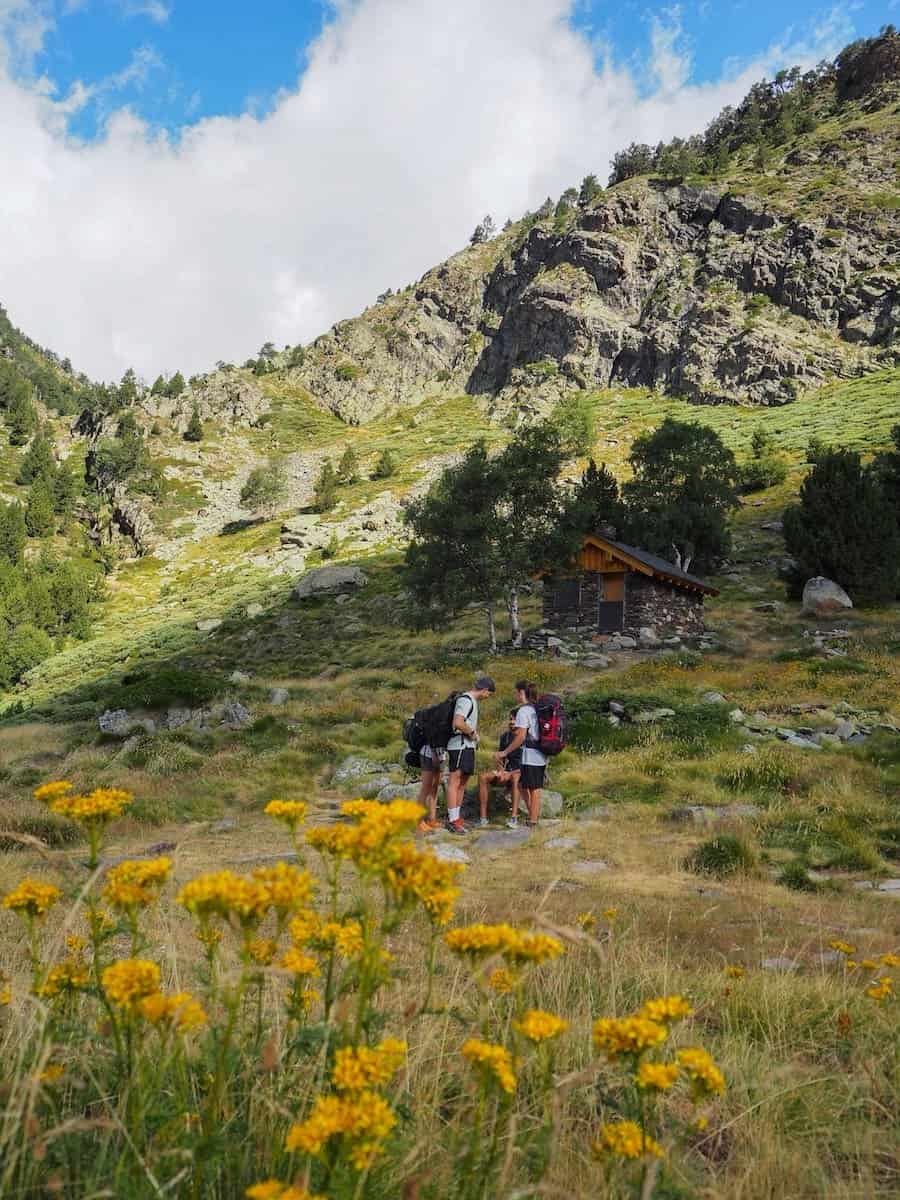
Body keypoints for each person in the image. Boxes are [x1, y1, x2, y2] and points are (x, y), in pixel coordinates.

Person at [445, 675, 496, 834]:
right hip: (459, 745)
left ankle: (457, 818)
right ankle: (452, 820)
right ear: (485, 690)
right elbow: (458, 722)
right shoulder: (465, 700)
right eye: (489, 694)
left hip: (467, 746)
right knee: (455, 781)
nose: (488, 697)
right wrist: (473, 733)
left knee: (463, 782)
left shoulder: (471, 701)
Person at [496, 680, 547, 827]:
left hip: (532, 755)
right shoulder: (535, 708)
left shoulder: (524, 711)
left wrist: (504, 752)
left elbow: (521, 736)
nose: (515, 695)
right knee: (523, 786)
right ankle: (532, 815)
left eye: (516, 692)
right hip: (536, 754)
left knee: (534, 788)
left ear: (521, 692)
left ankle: (533, 821)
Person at [476, 710, 522, 828]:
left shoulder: (526, 737)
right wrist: (501, 770)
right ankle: (483, 819)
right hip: (506, 771)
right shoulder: (505, 737)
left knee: (516, 777)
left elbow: (528, 763)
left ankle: (514, 818)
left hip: (520, 772)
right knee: (483, 776)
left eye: (515, 719)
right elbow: (500, 756)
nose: (512, 722)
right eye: (510, 719)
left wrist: (511, 772)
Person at [416, 744, 445, 833]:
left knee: (435, 787)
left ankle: (432, 819)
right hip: (428, 754)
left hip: (441, 755)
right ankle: (419, 823)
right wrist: (433, 753)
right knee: (426, 788)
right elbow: (430, 734)